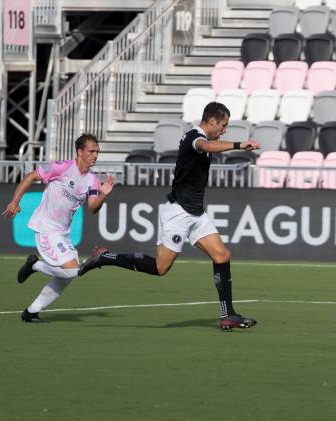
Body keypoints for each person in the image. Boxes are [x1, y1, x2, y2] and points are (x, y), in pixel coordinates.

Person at [78, 102, 260, 331]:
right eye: (223, 125)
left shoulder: (200, 137)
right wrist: (239, 144)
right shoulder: (195, 137)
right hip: (178, 213)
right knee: (160, 268)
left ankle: (228, 315)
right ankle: (105, 257)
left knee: (222, 255)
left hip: (196, 212)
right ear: (211, 121)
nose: (224, 129)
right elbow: (205, 145)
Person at [2, 134, 114, 323]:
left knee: (66, 278)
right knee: (72, 270)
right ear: (80, 152)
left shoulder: (93, 181)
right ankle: (34, 265)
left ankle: (31, 311)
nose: (95, 155)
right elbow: (31, 176)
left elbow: (93, 208)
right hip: (46, 228)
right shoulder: (62, 167)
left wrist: (103, 195)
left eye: (97, 152)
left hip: (62, 233)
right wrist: (15, 202)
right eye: (91, 151)